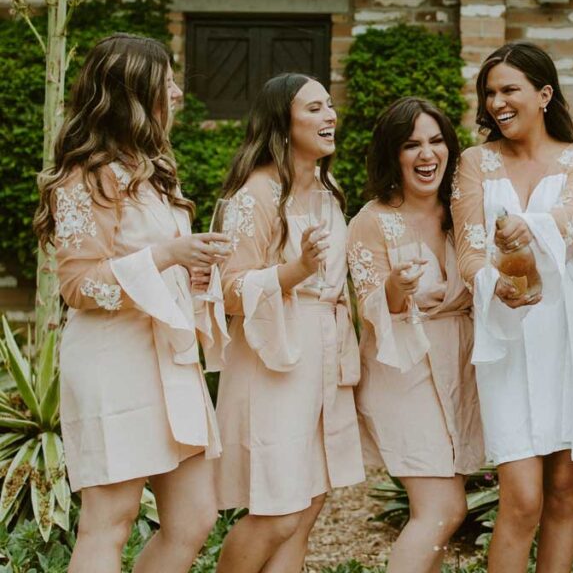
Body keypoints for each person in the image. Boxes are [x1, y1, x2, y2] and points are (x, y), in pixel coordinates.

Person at [34, 34, 229, 573]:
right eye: (166, 81)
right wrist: (167, 253)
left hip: (167, 360)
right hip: (112, 361)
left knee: (194, 518)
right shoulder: (84, 177)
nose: (178, 91)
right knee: (110, 520)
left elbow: (158, 267)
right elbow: (78, 284)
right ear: (134, 94)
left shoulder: (153, 172)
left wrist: (193, 269)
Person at [451, 42, 573, 573]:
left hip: (572, 332)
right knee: (522, 499)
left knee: (565, 493)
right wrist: (493, 282)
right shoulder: (476, 162)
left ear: (544, 94)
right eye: (489, 92)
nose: (496, 102)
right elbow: (469, 250)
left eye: (509, 89)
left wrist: (530, 229)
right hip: (508, 335)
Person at [213, 73, 364, 573]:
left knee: (310, 502)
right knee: (278, 511)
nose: (330, 116)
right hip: (273, 362)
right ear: (283, 122)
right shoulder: (254, 196)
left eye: (329, 106)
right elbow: (230, 291)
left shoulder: (328, 191)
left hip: (323, 354)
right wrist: (294, 271)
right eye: (315, 108)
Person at [348, 97, 484, 573]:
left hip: (460, 365)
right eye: (411, 145)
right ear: (393, 154)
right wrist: (395, 288)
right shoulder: (370, 221)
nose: (427, 155)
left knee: (442, 512)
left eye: (435, 141)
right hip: (402, 370)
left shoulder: (463, 212)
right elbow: (368, 304)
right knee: (443, 509)